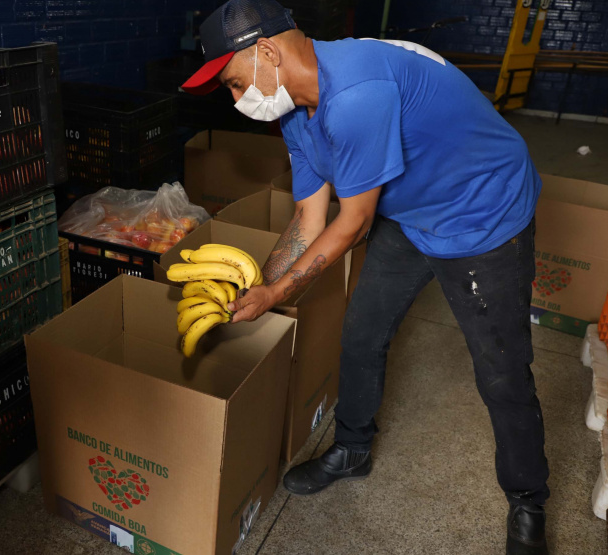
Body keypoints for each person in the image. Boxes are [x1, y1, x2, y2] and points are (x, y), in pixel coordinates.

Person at [180, 1, 550, 554]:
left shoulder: (354, 95)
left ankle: (527, 501)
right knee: (361, 334)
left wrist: (280, 294)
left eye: (234, 84)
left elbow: (351, 225)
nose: (237, 101)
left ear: (265, 52)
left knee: (501, 373)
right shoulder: (295, 110)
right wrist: (254, 284)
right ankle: (352, 448)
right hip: (410, 210)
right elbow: (310, 219)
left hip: (482, 215)